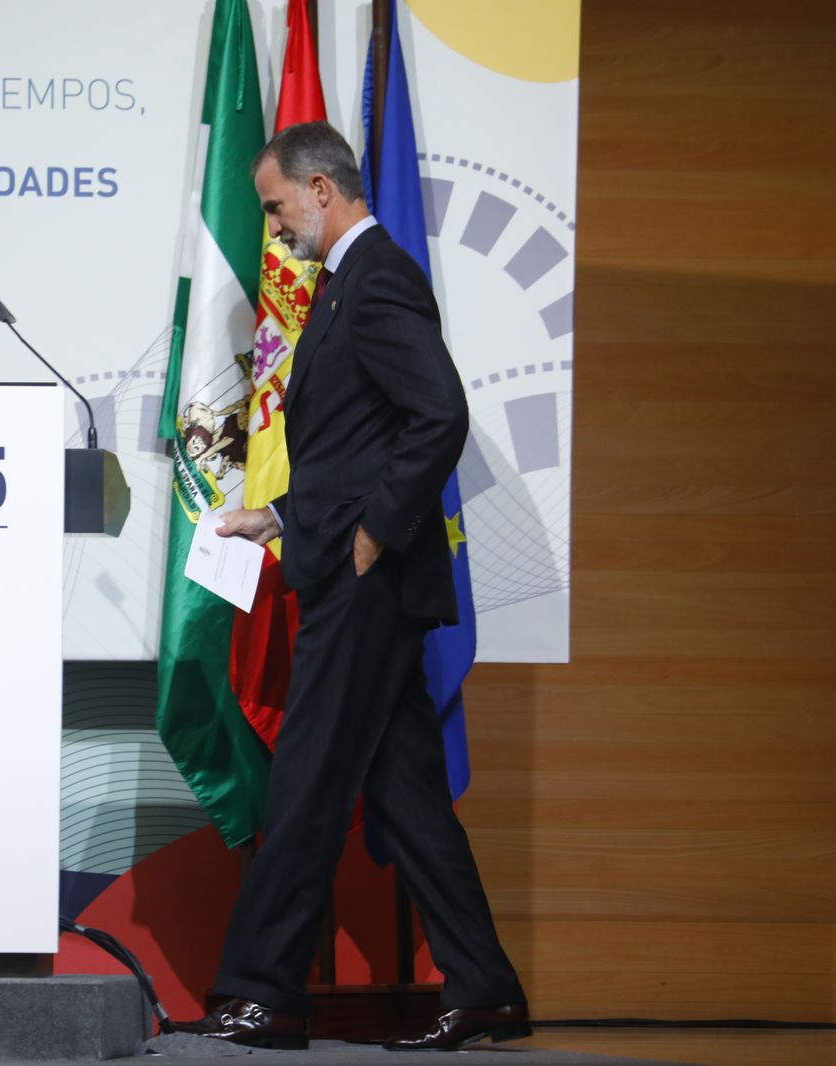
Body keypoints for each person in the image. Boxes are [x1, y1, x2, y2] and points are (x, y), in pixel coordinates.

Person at [176, 121, 528, 1052]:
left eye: (277, 204)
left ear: (322, 189)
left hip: (368, 582)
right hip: (349, 571)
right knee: (404, 792)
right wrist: (280, 517)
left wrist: (375, 530)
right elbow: (356, 445)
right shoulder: (345, 287)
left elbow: (437, 414)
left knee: (307, 781)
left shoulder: (378, 279)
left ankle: (267, 994)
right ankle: (486, 987)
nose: (275, 224)